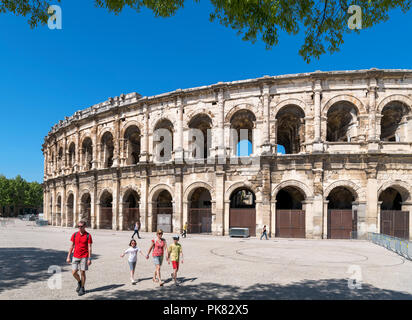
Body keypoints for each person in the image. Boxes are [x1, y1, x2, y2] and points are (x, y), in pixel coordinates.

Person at [66, 220, 93, 296]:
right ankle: (80, 282)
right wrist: (68, 256)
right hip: (75, 256)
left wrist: (89, 258)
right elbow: (71, 246)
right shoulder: (74, 234)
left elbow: (89, 247)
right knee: (74, 272)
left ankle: (82, 288)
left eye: (81, 226)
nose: (79, 228)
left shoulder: (88, 235)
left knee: (82, 272)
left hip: (84, 256)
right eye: (78, 226)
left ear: (85, 227)